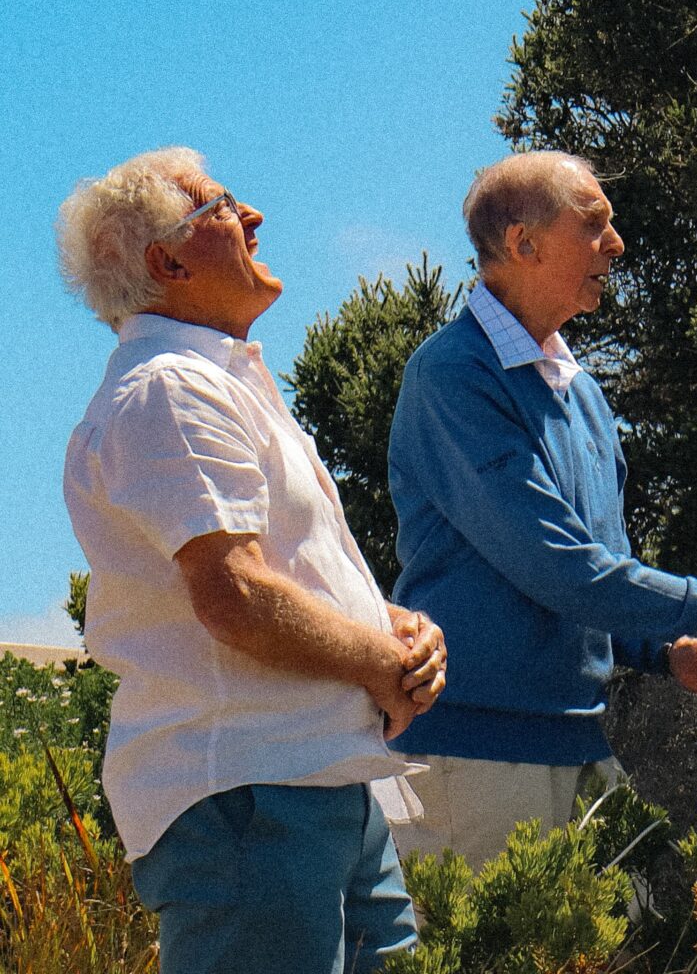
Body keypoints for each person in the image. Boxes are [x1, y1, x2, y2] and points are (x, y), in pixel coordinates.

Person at [386, 149, 697, 868]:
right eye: (593, 223)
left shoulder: (583, 395)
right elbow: (559, 567)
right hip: (469, 755)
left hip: (576, 745)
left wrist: (667, 650)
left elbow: (599, 573)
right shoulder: (451, 375)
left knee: (628, 926)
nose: (616, 244)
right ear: (522, 243)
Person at [58, 148, 447, 974]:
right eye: (221, 206)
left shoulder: (206, 383)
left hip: (304, 782)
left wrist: (391, 628)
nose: (253, 217)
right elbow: (232, 595)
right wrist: (381, 663)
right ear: (167, 263)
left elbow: (271, 572)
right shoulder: (170, 388)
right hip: (252, 795)